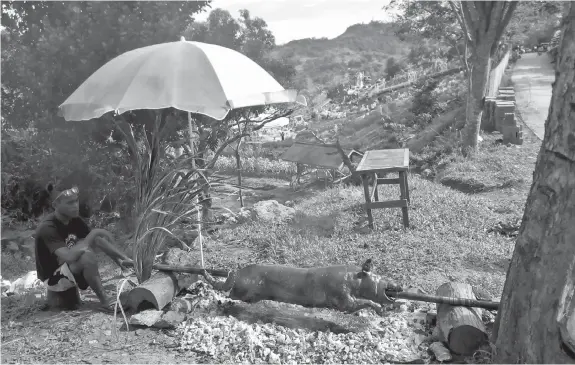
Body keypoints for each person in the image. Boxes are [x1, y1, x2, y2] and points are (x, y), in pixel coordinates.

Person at [34, 186, 133, 312]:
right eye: (70, 202)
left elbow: (96, 241)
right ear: (55, 205)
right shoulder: (47, 228)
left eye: (76, 200)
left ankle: (125, 262)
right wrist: (94, 233)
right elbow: (69, 257)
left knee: (93, 241)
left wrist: (122, 260)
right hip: (54, 279)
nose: (76, 205)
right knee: (87, 256)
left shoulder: (74, 219)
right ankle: (105, 301)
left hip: (67, 269)